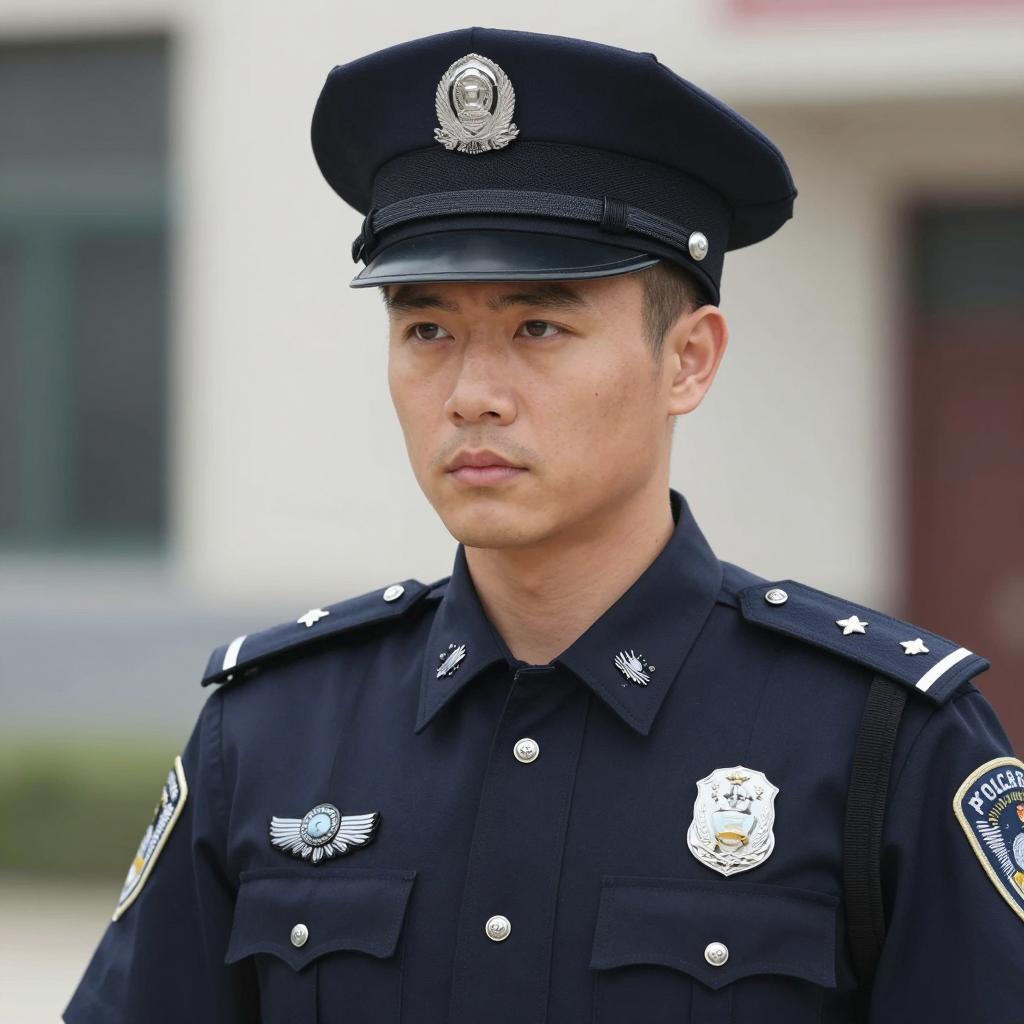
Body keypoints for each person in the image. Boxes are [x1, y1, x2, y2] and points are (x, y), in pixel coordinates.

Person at [64, 26, 1023, 1024]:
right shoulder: (274, 732)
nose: (472, 393)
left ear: (688, 360)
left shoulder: (879, 741)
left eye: (538, 327)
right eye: (426, 329)